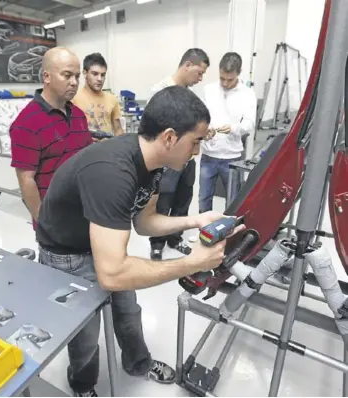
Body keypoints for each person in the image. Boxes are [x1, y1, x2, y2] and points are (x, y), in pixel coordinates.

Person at [36, 86, 243, 397]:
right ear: (170, 137)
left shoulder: (154, 163)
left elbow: (145, 222)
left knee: (128, 312)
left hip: (102, 244)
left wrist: (195, 220)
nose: (197, 152)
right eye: (195, 142)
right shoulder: (112, 172)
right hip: (67, 253)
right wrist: (193, 262)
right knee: (86, 334)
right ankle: (82, 385)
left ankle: (137, 362)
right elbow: (112, 273)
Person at [10, 47, 93, 226]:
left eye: (77, 76)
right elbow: (26, 180)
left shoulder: (78, 115)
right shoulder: (26, 123)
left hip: (84, 210)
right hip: (54, 220)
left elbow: (85, 159)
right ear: (46, 77)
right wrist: (44, 223)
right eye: (67, 75)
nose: (74, 82)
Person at [148, 48, 210, 260]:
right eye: (199, 73)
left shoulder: (191, 96)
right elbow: (154, 130)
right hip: (167, 161)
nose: (200, 78)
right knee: (162, 201)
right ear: (187, 65)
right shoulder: (160, 91)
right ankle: (157, 242)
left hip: (188, 160)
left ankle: (175, 238)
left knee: (183, 199)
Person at [199, 52, 257, 213]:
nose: (225, 83)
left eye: (229, 79)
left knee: (233, 202)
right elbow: (201, 117)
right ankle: (203, 234)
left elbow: (249, 124)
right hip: (208, 155)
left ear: (239, 73)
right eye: (222, 78)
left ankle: (229, 235)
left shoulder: (247, 94)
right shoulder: (208, 90)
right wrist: (204, 130)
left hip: (232, 159)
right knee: (204, 199)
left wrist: (233, 129)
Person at [72, 52, 124, 139]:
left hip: (106, 149)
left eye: (103, 75)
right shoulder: (73, 97)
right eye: (95, 74)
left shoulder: (112, 99)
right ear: (85, 73)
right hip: (83, 149)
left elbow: (118, 130)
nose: (99, 79)